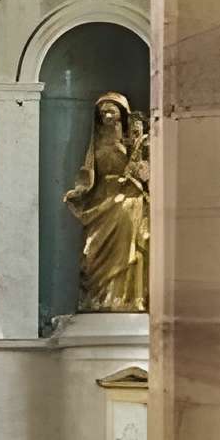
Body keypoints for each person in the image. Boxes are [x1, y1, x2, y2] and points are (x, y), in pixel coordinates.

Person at [65, 91, 152, 314]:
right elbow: (88, 173)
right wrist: (79, 192)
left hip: (128, 199)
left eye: (111, 111)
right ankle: (99, 299)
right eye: (103, 112)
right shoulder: (97, 142)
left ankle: (128, 298)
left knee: (129, 248)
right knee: (92, 252)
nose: (107, 116)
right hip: (101, 201)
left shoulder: (134, 140)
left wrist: (142, 173)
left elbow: (146, 170)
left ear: (122, 114)